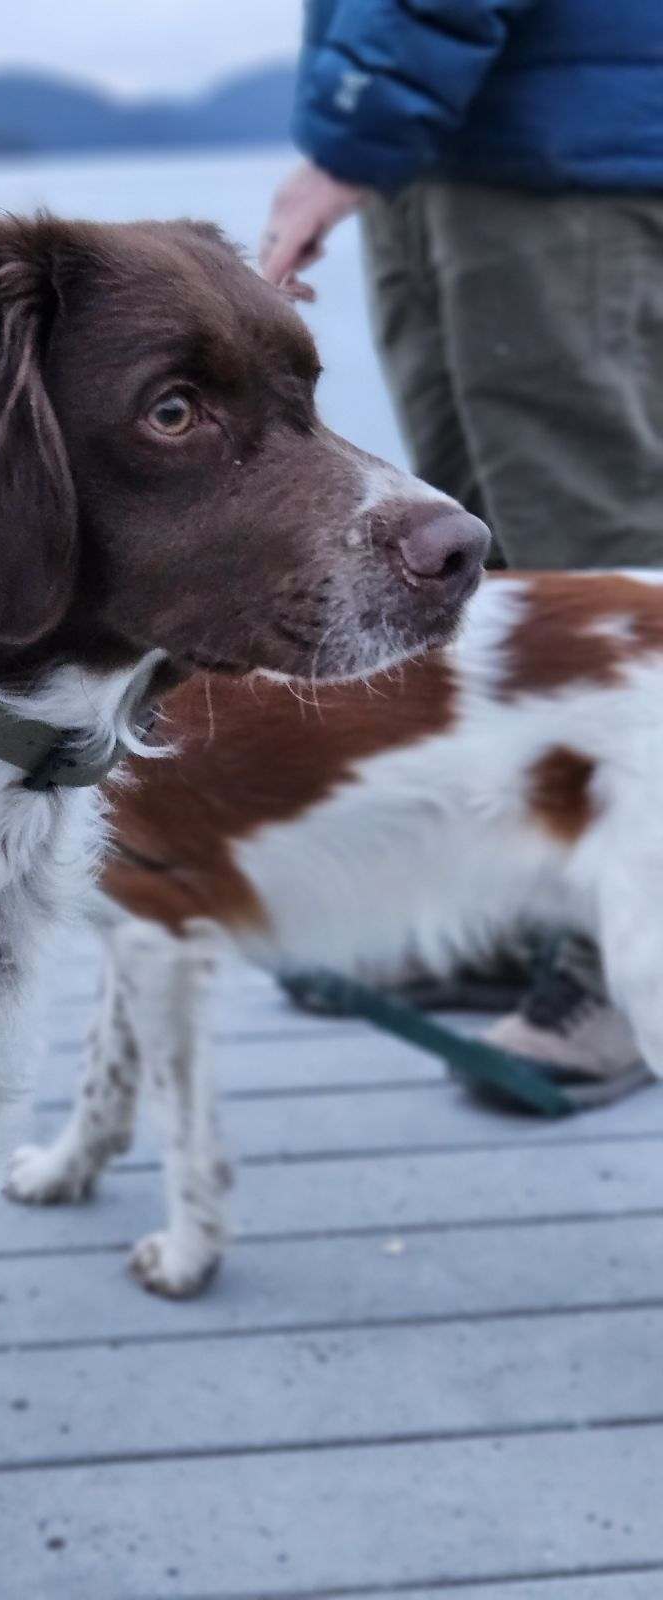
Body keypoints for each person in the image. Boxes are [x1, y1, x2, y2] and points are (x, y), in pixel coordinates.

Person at [261, 0, 663, 1103]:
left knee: (599, 574)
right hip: (467, 136)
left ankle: (628, 961)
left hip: (557, 143)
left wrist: (351, 131)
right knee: (481, 565)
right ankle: (517, 906)